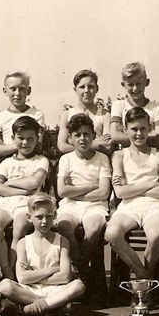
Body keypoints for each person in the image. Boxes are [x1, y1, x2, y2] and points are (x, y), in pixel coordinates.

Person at [105, 107, 159, 289]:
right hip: (128, 206)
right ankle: (144, 278)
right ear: (125, 129)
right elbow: (120, 193)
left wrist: (132, 188)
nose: (139, 133)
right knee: (112, 233)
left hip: (154, 205)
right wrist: (151, 184)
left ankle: (144, 281)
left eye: (143, 128)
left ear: (150, 128)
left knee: (155, 234)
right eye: (134, 129)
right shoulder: (119, 155)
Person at [0, 193, 86, 316]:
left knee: (78, 286)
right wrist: (54, 269)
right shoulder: (23, 243)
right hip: (30, 290)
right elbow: (22, 278)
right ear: (29, 217)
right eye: (39, 217)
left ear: (55, 216)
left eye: (49, 216)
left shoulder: (62, 241)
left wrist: (33, 275)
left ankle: (28, 309)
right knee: (5, 285)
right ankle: (55, 305)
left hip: (55, 289)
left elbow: (65, 277)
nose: (44, 221)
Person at [54, 114, 111, 298]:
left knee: (93, 228)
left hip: (95, 205)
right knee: (63, 225)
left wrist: (75, 189)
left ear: (93, 136)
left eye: (86, 134)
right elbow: (62, 192)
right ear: (70, 138)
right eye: (77, 135)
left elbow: (104, 192)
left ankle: (81, 266)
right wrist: (92, 185)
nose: (82, 139)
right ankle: (78, 257)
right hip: (70, 205)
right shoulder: (66, 159)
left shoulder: (102, 158)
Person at [0, 116, 50, 280]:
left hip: (27, 204)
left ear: (37, 139)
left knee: (20, 225)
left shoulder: (41, 161)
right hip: (7, 201)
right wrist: (23, 190)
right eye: (21, 138)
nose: (25, 143)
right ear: (13, 138)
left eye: (30, 138)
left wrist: (10, 183)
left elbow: (35, 181)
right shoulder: (6, 163)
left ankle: (16, 270)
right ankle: (6, 269)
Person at [0, 71, 46, 158]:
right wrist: (25, 144)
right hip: (6, 164)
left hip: (31, 162)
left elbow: (36, 147)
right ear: (5, 91)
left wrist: (4, 146)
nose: (18, 93)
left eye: (22, 88)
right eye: (13, 89)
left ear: (28, 90)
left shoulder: (36, 114)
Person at [110, 62, 159, 149]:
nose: (135, 89)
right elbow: (115, 136)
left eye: (139, 83)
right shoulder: (118, 105)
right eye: (130, 84)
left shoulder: (156, 107)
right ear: (123, 85)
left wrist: (127, 136)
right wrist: (148, 135)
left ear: (147, 82)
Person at [57, 69, 112, 155]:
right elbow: (62, 146)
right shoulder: (66, 115)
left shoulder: (105, 115)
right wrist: (96, 143)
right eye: (82, 87)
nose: (86, 90)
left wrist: (72, 141)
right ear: (75, 90)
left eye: (90, 86)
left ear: (97, 88)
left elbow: (107, 146)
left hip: (98, 162)